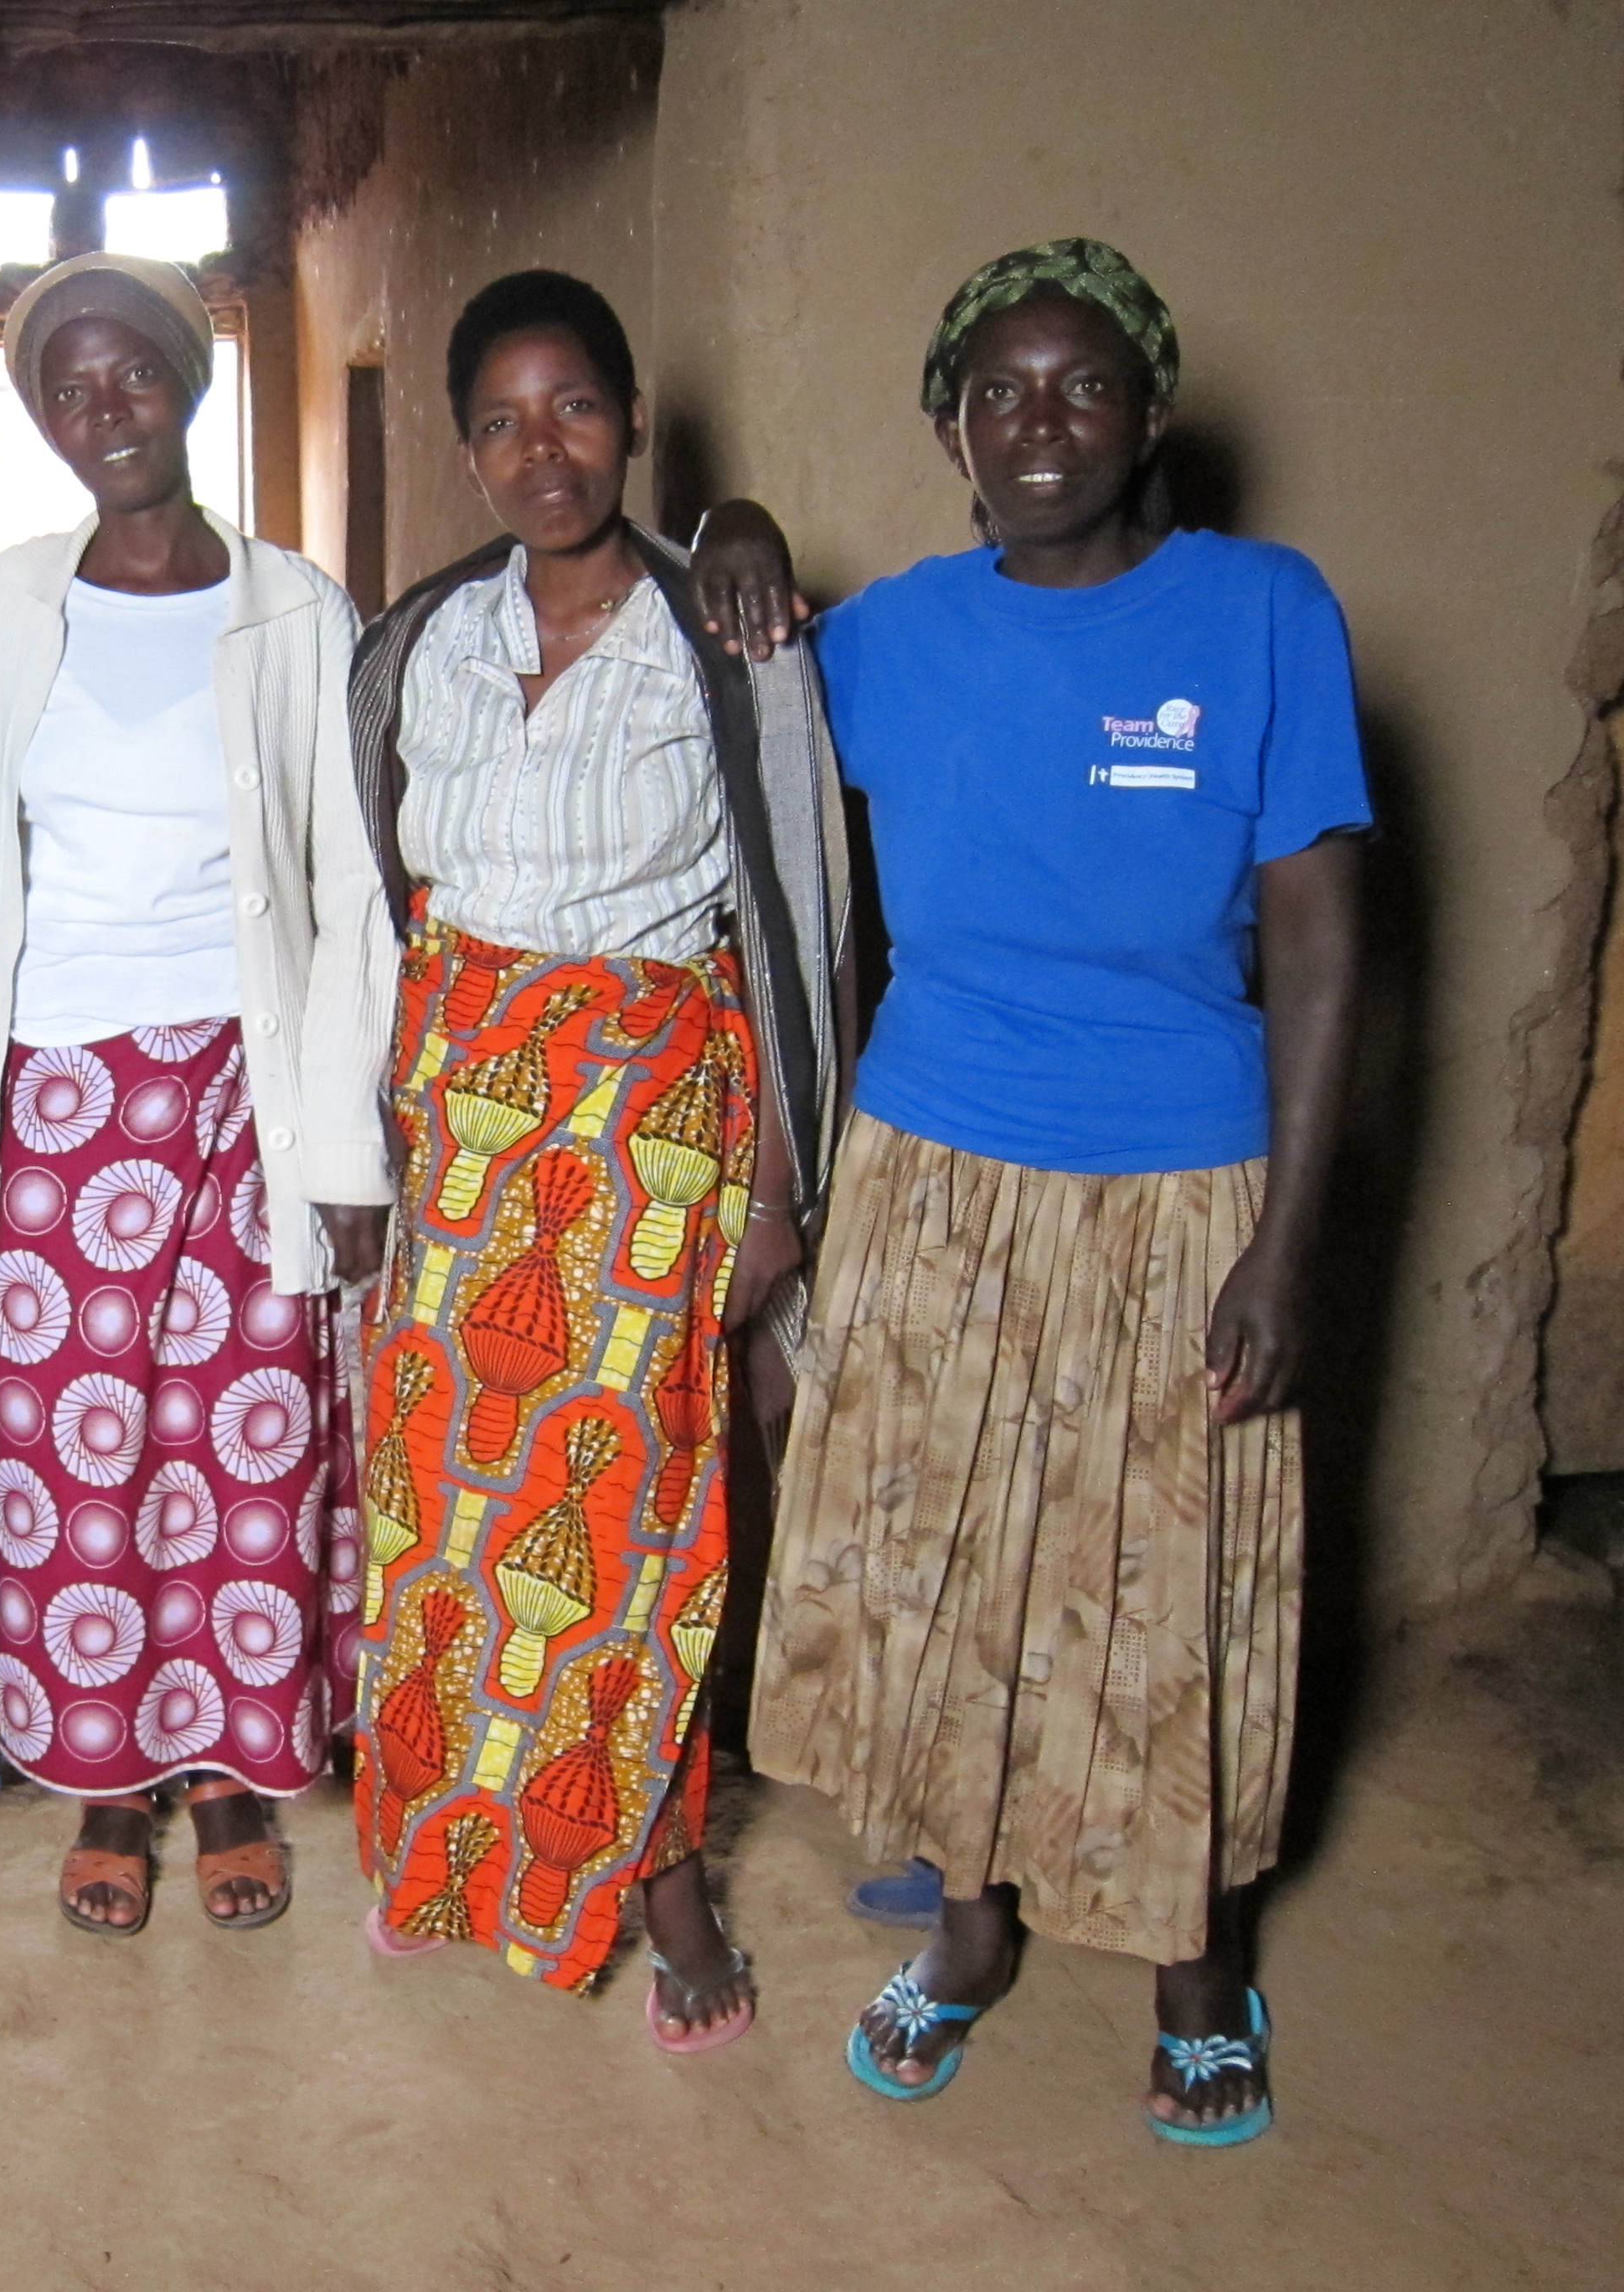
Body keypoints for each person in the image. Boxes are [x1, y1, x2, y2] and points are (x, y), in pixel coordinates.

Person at [733, 240, 1366, 2146]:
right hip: (927, 1175)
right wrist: (738, 519)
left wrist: (1292, 1236)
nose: (1039, 425)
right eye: (997, 392)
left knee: (1177, 1596)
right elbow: (727, 706)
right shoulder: (892, 638)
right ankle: (975, 1932)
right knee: (946, 1584)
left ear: (1151, 412)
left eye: (1082, 386)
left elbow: (1329, 936)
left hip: (1181, 1186)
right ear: (947, 426)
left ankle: (1197, 1965)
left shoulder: (1262, 613)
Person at [347, 271, 848, 2042]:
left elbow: (793, 916)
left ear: (633, 422)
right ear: (466, 446)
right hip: (462, 1147)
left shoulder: (730, 633)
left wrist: (781, 1189)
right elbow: (383, 898)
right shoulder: (415, 643)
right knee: (437, 1521)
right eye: (499, 417)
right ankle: (436, 1842)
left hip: (647, 1151)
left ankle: (662, 1879)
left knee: (625, 1534)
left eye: (572, 407)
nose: (537, 448)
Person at [0, 253, 396, 1933]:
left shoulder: (295, 605)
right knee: (84, 1447)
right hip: (63, 1091)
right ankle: (112, 1780)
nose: (100, 405)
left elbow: (353, 888)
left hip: (245, 1079)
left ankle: (230, 1775)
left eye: (128, 368)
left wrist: (344, 1137)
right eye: (64, 383)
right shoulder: (2, 606)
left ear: (190, 379)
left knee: (249, 1438)